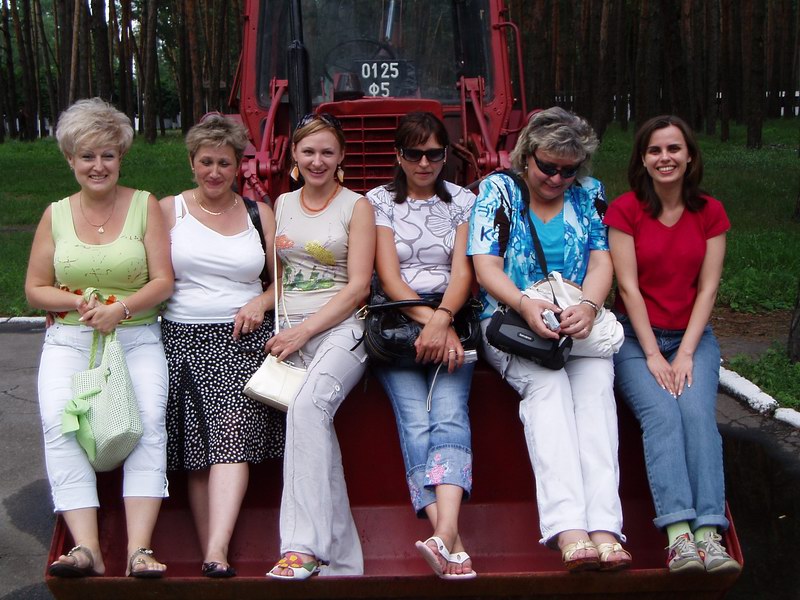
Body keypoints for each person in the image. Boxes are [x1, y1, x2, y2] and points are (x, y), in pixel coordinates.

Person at [467, 107, 631, 572]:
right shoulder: (498, 191)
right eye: (548, 166)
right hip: (513, 321)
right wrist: (525, 304)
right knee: (548, 390)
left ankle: (606, 528)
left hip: (576, 322)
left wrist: (590, 307)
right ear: (527, 156)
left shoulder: (589, 193)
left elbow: (601, 259)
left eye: (568, 169)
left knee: (597, 399)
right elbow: (486, 266)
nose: (558, 178)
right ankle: (568, 528)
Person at [25, 98, 173, 578]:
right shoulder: (55, 214)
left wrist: (121, 309)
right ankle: (87, 547)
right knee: (59, 425)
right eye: (87, 156)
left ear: (121, 157)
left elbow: (163, 281)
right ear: (70, 159)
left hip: (136, 337)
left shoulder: (144, 205)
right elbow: (34, 288)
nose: (98, 165)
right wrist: (78, 303)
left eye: (108, 155)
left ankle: (139, 550)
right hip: (70, 341)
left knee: (147, 425)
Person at [605, 115, 741, 574]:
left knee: (697, 415)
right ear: (643, 160)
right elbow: (627, 288)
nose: (665, 158)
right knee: (663, 415)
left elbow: (708, 288)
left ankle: (710, 534)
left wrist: (684, 353)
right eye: (655, 150)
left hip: (692, 338)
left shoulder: (710, 212)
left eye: (674, 149)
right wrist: (652, 355)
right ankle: (679, 536)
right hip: (634, 337)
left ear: (689, 156)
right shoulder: (625, 210)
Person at [159, 114, 286, 578]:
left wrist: (260, 302)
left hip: (241, 339)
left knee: (231, 437)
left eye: (224, 163)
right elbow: (140, 270)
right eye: (206, 162)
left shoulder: (258, 213)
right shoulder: (168, 210)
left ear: (238, 166)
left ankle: (218, 550)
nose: (215, 172)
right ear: (192, 163)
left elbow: (283, 281)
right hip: (182, 339)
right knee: (197, 449)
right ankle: (209, 552)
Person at [366, 112, 477, 579]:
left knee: (449, 416)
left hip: (453, 316)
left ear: (445, 154)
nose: (424, 163)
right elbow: (389, 277)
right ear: (399, 155)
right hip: (399, 323)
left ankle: (444, 535)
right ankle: (451, 540)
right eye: (414, 153)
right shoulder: (379, 201)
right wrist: (431, 323)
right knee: (414, 422)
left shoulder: (464, 201)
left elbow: (463, 271)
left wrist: (445, 319)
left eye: (434, 153)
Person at [265, 113, 376, 580]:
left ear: (341, 156)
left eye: (327, 152)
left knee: (308, 408)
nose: (317, 161)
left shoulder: (357, 206)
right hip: (291, 330)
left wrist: (305, 331)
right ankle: (345, 565)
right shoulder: (282, 204)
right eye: (308, 151)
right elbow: (280, 277)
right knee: (316, 430)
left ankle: (301, 547)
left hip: (342, 330)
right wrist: (260, 304)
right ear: (294, 154)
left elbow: (358, 288)